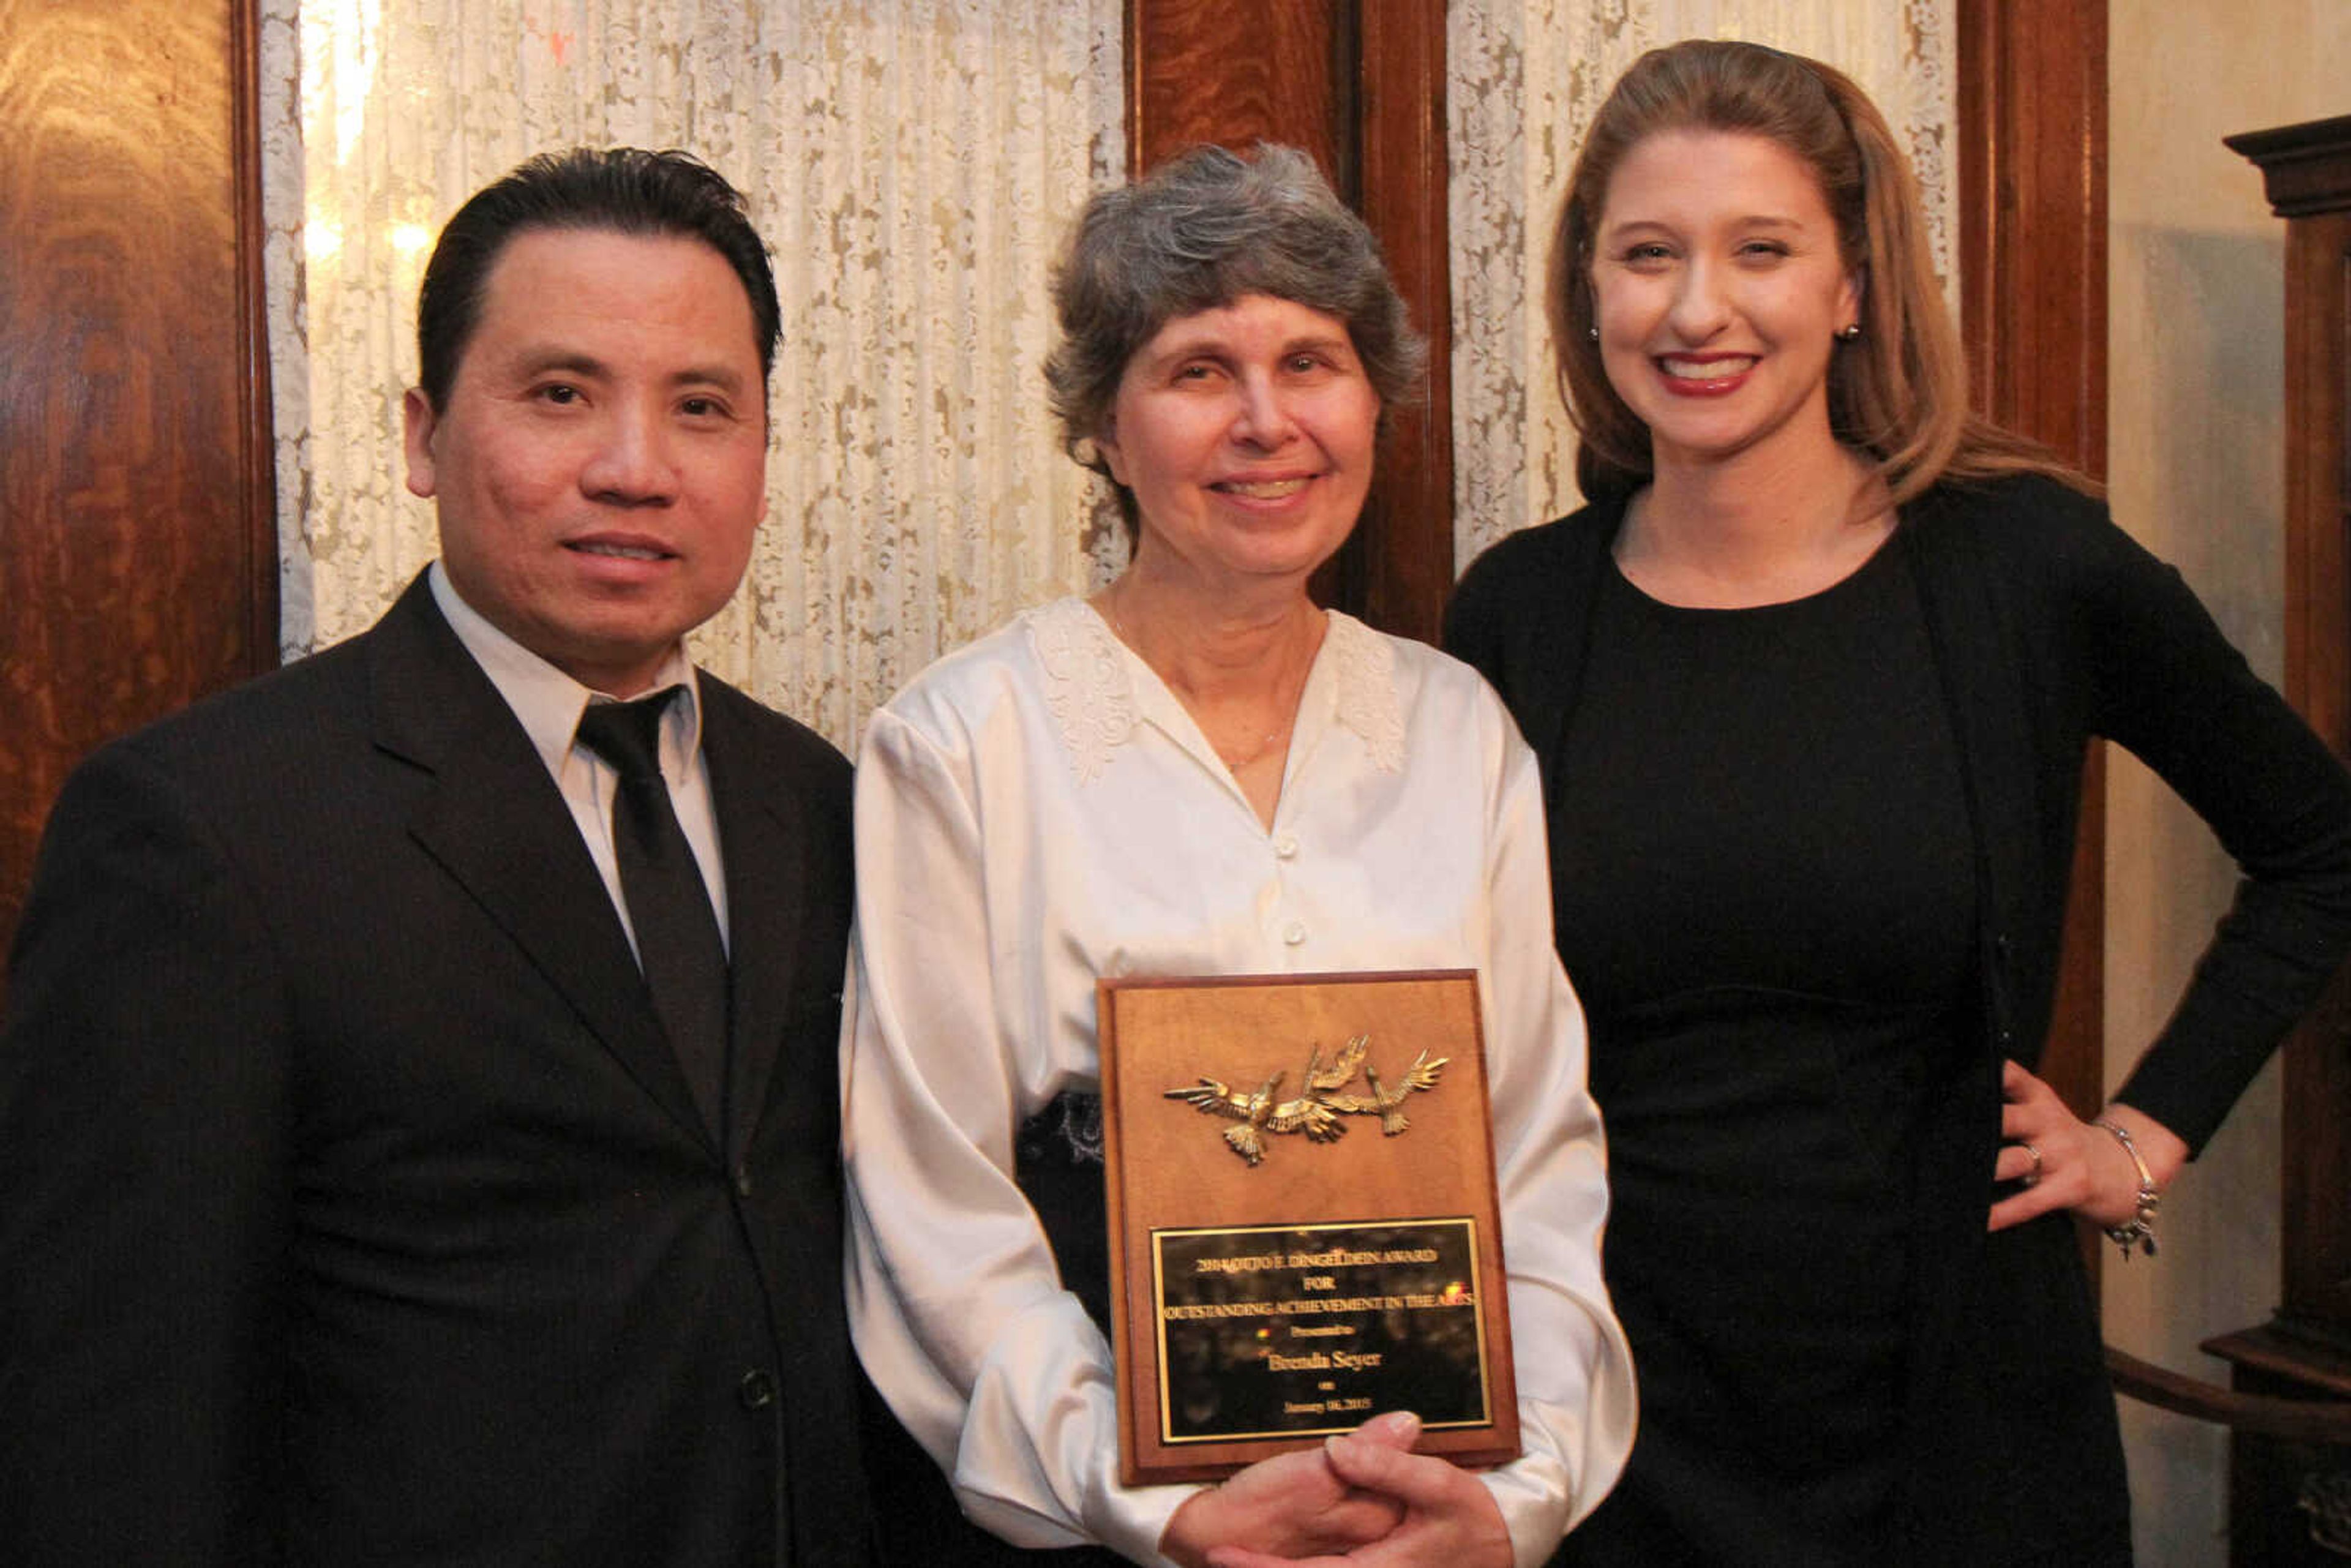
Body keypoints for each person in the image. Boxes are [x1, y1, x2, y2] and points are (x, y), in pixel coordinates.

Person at [1444, 39, 2351, 1568]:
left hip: (1961, 1410)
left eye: (1763, 250)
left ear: (1856, 284)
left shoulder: (2026, 570)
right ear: (1588, 290)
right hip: (1602, 1409)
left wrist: (2140, 1141)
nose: (1695, 309)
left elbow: (2321, 848)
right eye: (1646, 254)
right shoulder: (1520, 613)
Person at [0, 148, 872, 1566]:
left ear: (764, 459)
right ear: (422, 437)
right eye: (560, 394)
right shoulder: (202, 829)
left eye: (702, 407)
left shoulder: (820, 799)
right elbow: (110, 1418)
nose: (634, 468)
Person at [842, 144, 1635, 1568]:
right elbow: (931, 1203)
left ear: (1373, 397)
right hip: (1113, 1519)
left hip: (1430, 1510)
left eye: (1313, 363)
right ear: (1102, 421)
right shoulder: (962, 746)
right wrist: (1154, 1501)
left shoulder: (1460, 734)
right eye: (1199, 370)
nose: (1268, 422)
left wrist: (1508, 1508)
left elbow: (1541, 1164)